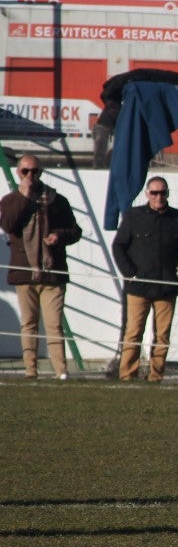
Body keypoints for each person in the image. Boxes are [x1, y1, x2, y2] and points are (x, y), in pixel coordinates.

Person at [0, 154, 82, 379]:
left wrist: (59, 235)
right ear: (18, 173)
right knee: (29, 324)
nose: (30, 176)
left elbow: (76, 231)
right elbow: (9, 225)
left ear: (41, 173)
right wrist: (24, 199)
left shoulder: (57, 200)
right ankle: (30, 370)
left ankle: (61, 371)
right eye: (25, 171)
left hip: (52, 272)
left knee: (54, 324)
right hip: (24, 272)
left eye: (34, 171)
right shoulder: (10, 200)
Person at [110, 175, 178, 382]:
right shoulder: (133, 215)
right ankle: (127, 375)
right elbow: (118, 246)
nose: (159, 196)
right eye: (155, 192)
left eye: (163, 192)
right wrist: (130, 273)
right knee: (133, 334)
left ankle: (156, 376)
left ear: (167, 194)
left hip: (166, 287)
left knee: (163, 336)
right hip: (138, 287)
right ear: (148, 193)